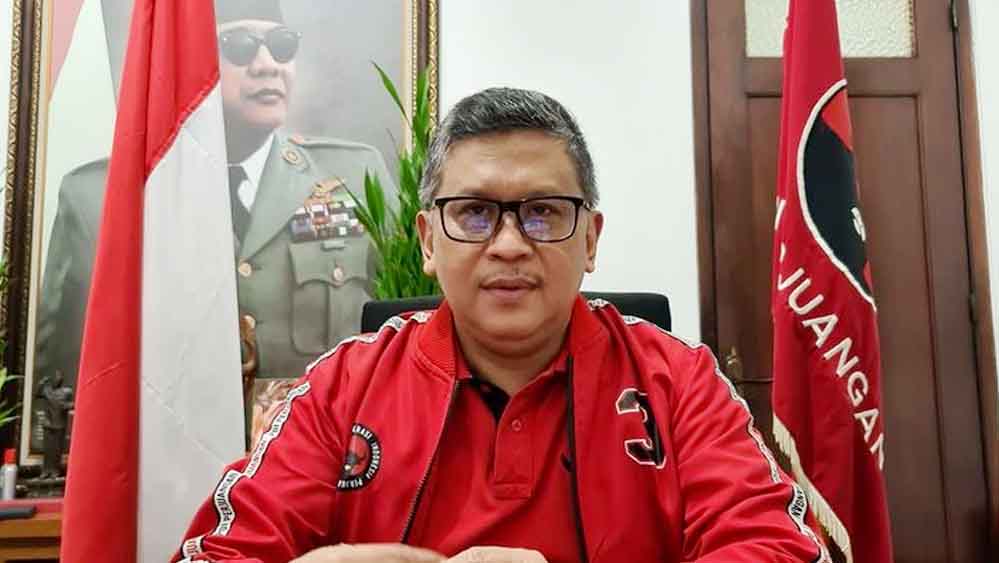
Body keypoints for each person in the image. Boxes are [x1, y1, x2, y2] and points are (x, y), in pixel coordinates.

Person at [174, 88, 830, 563]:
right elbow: (217, 552)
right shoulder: (342, 386)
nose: (510, 244)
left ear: (590, 240)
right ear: (428, 240)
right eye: (474, 213)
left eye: (543, 212)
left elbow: (777, 547)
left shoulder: (679, 381)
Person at [33, 0, 395, 417]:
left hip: (319, 444)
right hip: (165, 446)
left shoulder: (354, 176)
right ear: (188, 64)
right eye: (239, 46)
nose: (268, 65)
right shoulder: (95, 199)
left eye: (282, 45)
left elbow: (396, 340)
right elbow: (63, 385)